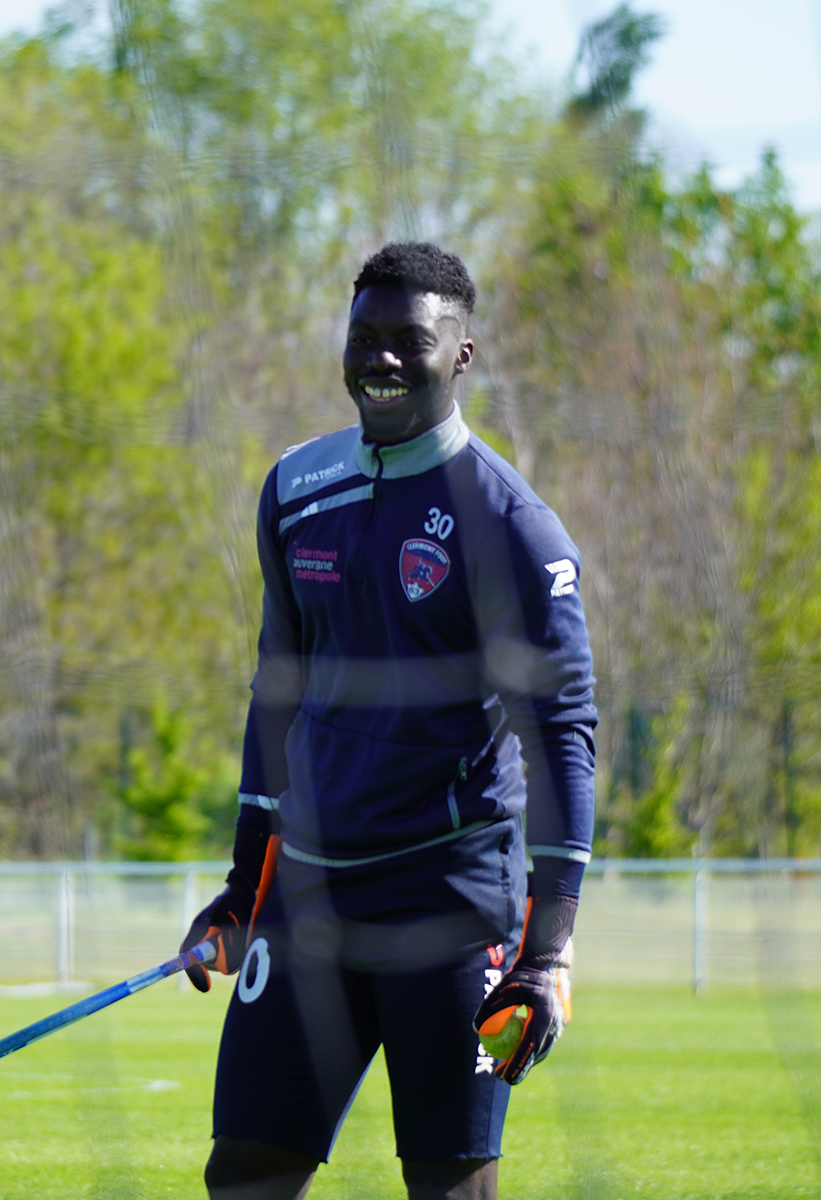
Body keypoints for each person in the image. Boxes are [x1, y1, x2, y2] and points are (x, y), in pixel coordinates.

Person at [181, 243, 596, 1200]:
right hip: (308, 905)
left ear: (462, 354)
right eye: (363, 338)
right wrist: (244, 886)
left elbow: (564, 733)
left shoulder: (514, 527)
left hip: (452, 911)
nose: (381, 360)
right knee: (245, 1170)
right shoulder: (293, 488)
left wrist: (549, 949)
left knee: (449, 1186)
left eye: (410, 341)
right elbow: (276, 691)